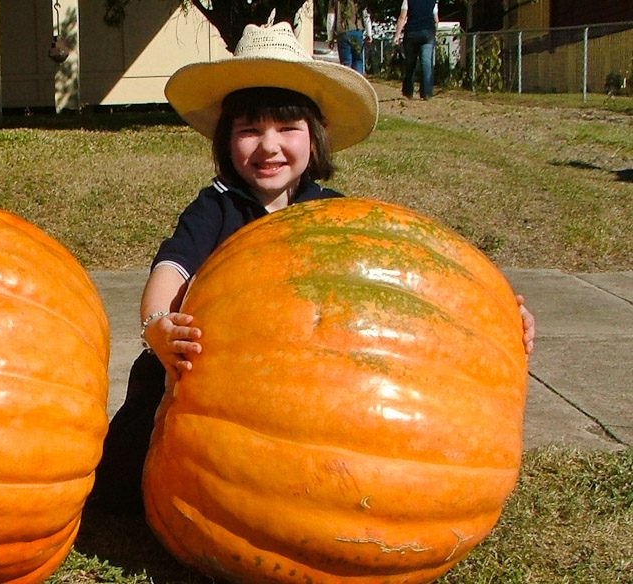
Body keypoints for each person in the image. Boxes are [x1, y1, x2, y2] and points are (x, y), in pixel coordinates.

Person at [88, 21, 536, 516]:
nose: (268, 145)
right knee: (124, 478)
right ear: (225, 140)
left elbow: (402, 287)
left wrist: (497, 317)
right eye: (249, 130)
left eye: (287, 128)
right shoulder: (216, 207)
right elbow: (170, 269)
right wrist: (158, 328)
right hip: (192, 370)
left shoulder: (331, 214)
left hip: (287, 382)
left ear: (315, 137)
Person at [393, 0, 439, 100]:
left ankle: (408, 92)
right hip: (428, 33)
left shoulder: (407, 0)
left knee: (410, 64)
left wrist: (397, 35)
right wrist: (435, 32)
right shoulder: (433, 1)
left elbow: (402, 17)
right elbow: (436, 19)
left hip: (412, 33)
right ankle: (427, 93)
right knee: (426, 63)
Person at [327, 0, 374, 75]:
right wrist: (369, 33)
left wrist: (330, 38)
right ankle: (358, 84)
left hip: (343, 33)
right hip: (357, 32)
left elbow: (331, 18)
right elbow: (366, 15)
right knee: (358, 60)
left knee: (346, 64)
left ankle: (348, 84)